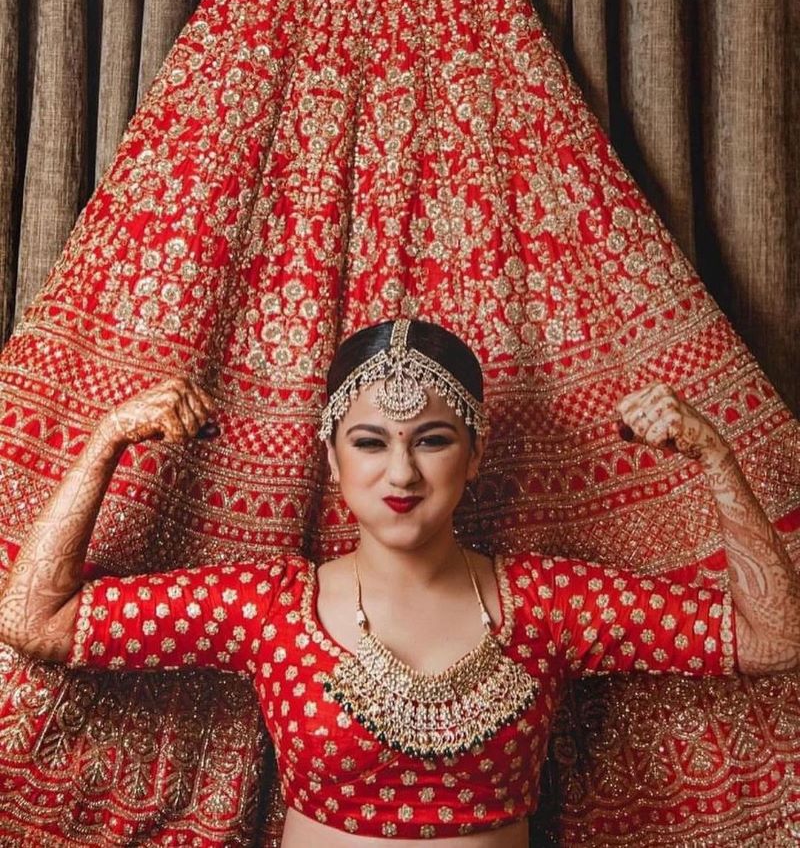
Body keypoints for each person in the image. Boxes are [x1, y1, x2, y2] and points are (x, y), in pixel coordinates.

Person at [0, 317, 797, 846]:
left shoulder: (552, 603)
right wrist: (106, 440)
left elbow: (773, 639)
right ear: (333, 457)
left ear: (475, 453)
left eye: (434, 439)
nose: (402, 473)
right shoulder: (271, 607)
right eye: (372, 442)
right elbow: (34, 618)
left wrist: (717, 460)